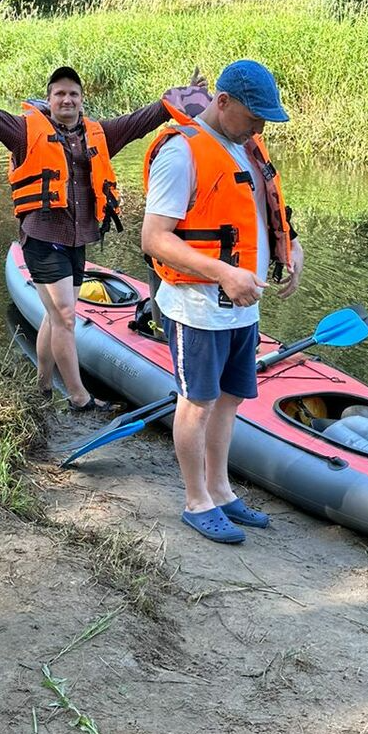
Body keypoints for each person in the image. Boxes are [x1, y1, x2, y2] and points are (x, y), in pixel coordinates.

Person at [0, 56, 206, 410]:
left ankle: (41, 383)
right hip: (42, 238)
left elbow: (139, 121)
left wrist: (182, 96)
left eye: (73, 94)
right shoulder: (25, 132)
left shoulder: (99, 134)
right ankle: (78, 397)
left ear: (81, 99)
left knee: (55, 317)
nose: (66, 100)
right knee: (66, 317)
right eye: (59, 95)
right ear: (49, 99)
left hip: (76, 240)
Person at [141, 60, 304, 544]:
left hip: (242, 306)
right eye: (254, 116)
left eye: (266, 119)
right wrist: (224, 273)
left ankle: (221, 489)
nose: (260, 127)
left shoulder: (248, 148)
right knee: (198, 402)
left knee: (230, 400)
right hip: (197, 308)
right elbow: (155, 238)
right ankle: (196, 501)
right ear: (223, 101)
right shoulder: (182, 153)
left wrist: (292, 247)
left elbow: (260, 216)